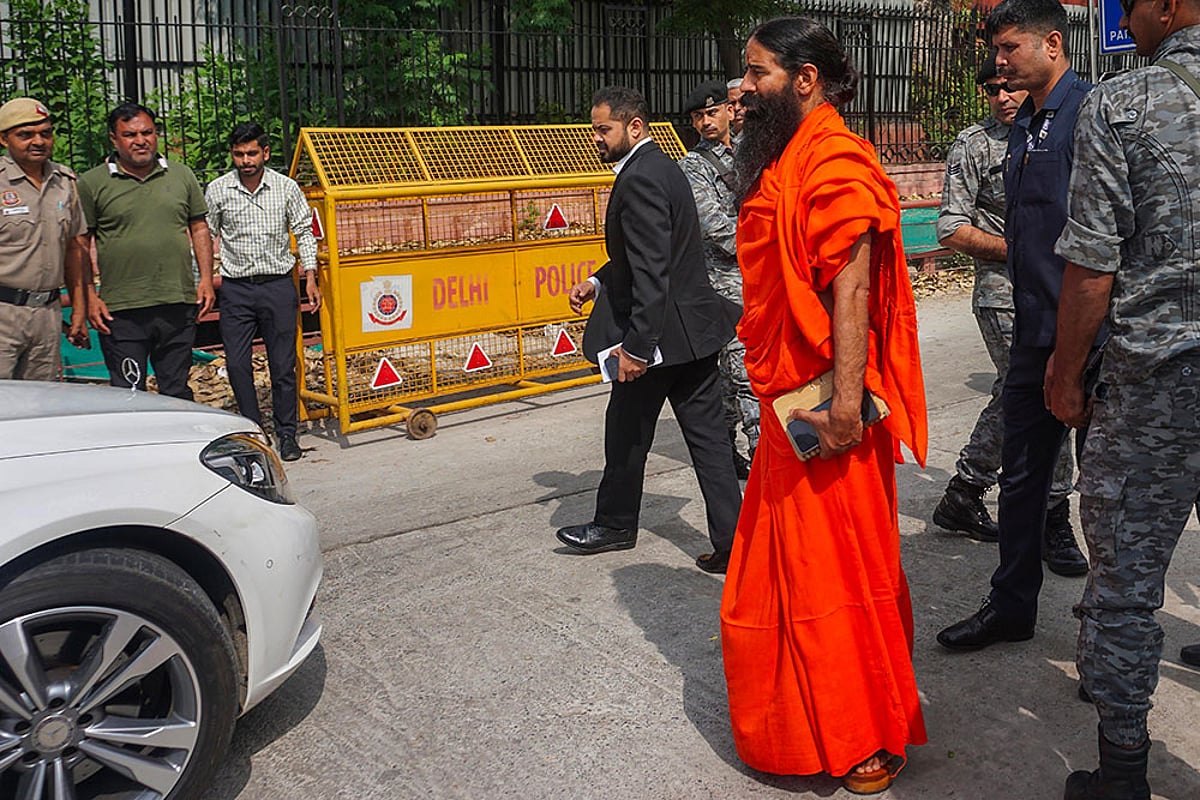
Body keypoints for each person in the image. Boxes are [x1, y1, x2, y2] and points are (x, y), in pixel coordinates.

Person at [719, 17, 928, 794]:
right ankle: (797, 725)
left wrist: (844, 406)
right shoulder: (782, 154)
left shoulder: (837, 158)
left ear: (804, 79)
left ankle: (862, 729)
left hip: (827, 411)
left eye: (757, 73)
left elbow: (853, 289)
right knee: (782, 580)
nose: (743, 86)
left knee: (839, 579)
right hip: (785, 407)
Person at [1045, 1, 1200, 796]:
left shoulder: (1125, 101)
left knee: (1126, 585)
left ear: (1167, 7)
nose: (1124, 16)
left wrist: (1066, 373)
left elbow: (1092, 266)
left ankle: (1123, 773)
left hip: (1157, 385)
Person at [937, 0, 1094, 653]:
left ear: (1052, 43)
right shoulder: (1024, 124)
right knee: (1024, 475)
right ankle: (1011, 605)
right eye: (995, 52)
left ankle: (1106, 635)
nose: (999, 65)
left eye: (1010, 50)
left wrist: (1078, 347)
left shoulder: (1092, 113)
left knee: (1104, 488)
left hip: (1088, 334)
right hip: (1030, 326)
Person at [557, 86, 743, 574]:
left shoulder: (639, 178)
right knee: (710, 443)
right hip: (695, 333)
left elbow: (653, 271)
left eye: (604, 129)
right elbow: (650, 254)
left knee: (625, 432)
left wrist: (637, 349)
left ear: (634, 126)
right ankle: (735, 544)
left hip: (660, 341)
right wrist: (598, 282)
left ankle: (615, 524)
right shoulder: (665, 166)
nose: (596, 138)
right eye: (594, 129)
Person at [933, 51, 1077, 550]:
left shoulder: (1056, 132)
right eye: (992, 90)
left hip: (1061, 289)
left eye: (1008, 87)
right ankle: (1054, 515)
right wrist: (1018, 250)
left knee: (1019, 391)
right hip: (1004, 293)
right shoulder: (975, 145)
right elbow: (951, 226)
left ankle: (966, 487)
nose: (1002, 97)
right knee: (1044, 389)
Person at [78, 102, 214, 399]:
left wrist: (205, 279)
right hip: (121, 310)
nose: (140, 141)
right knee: (129, 395)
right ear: (114, 139)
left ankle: (178, 432)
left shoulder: (181, 175)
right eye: (130, 135)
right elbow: (81, 243)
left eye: (147, 133)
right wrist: (89, 296)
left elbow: (199, 228)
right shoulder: (91, 183)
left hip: (176, 302)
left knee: (176, 391)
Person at [205, 122, 321, 461]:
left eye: (252, 153)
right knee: (237, 364)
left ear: (265, 153)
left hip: (278, 286)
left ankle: (287, 434)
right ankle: (253, 431)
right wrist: (202, 279)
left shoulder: (286, 188)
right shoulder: (218, 189)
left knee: (283, 365)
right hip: (236, 290)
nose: (246, 160)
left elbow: (304, 230)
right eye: (239, 154)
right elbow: (205, 234)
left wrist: (310, 276)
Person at [678, 79, 759, 479]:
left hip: (758, 277)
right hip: (724, 281)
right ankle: (762, 452)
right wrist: (762, 244)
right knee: (744, 369)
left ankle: (723, 449)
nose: (706, 122)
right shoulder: (692, 166)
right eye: (698, 116)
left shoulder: (752, 151)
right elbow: (713, 224)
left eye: (712, 112)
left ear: (730, 110)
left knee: (730, 374)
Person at [0, 97, 87, 380]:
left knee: (40, 399)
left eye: (45, 133)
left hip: (47, 314)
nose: (38, 141)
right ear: (4, 139)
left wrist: (78, 310)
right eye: (25, 135)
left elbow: (73, 249)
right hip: (4, 313)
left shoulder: (64, 182)